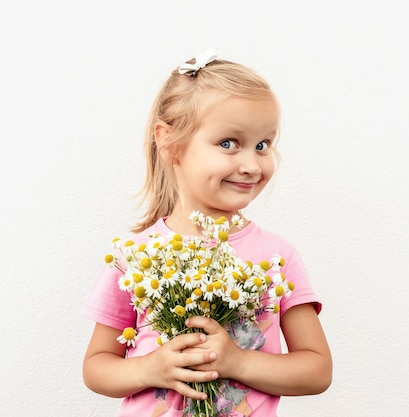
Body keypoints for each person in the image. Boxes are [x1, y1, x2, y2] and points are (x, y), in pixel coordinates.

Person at [82, 47, 332, 417]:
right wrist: (149, 368)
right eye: (228, 143)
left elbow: (317, 370)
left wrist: (236, 362)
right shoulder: (134, 257)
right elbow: (96, 367)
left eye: (263, 144)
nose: (251, 164)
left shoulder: (277, 258)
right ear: (168, 142)